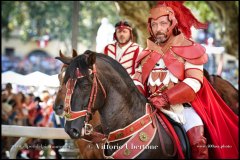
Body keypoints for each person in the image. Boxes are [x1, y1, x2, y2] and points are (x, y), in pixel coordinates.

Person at [133, 1, 238, 159]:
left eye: (162, 23)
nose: (158, 28)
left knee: (197, 140)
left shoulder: (190, 49)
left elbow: (194, 83)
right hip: (148, 108)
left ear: (172, 23)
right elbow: (137, 80)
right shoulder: (146, 53)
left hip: (181, 109)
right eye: (154, 24)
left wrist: (166, 98)